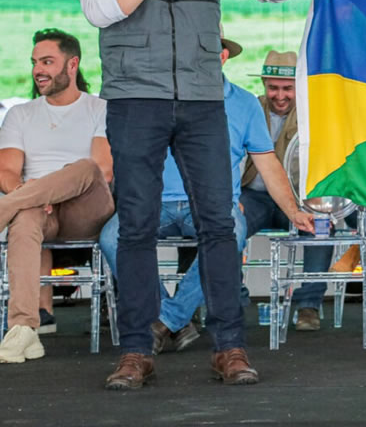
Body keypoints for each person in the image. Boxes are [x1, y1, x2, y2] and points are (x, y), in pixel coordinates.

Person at [74, 0, 294, 389]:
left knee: (220, 224)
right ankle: (136, 350)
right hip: (134, 99)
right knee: (137, 227)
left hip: (201, 98)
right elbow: (101, 8)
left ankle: (230, 347)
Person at [99, 31, 313, 355]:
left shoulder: (244, 104)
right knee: (111, 237)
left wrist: (293, 210)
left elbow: (268, 164)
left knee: (232, 231)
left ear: (223, 56)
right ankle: (174, 319)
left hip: (214, 203)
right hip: (157, 202)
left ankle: (165, 320)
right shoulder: (155, 98)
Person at [0, 29, 114, 363]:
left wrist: (40, 189)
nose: (38, 69)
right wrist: (30, 194)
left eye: (47, 61)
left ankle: (7, 207)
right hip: (38, 207)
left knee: (85, 167)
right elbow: (7, 171)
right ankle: (23, 329)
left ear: (72, 64)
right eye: (35, 62)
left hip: (87, 210)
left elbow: (104, 171)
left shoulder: (100, 108)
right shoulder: (19, 114)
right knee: (24, 220)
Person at [239, 51, 334, 331]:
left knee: (318, 224)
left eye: (287, 88)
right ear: (265, 86)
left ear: (299, 87)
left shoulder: (313, 114)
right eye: (273, 88)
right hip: (253, 196)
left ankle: (308, 306)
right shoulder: (249, 110)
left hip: (296, 199)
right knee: (228, 224)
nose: (279, 95)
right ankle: (234, 301)